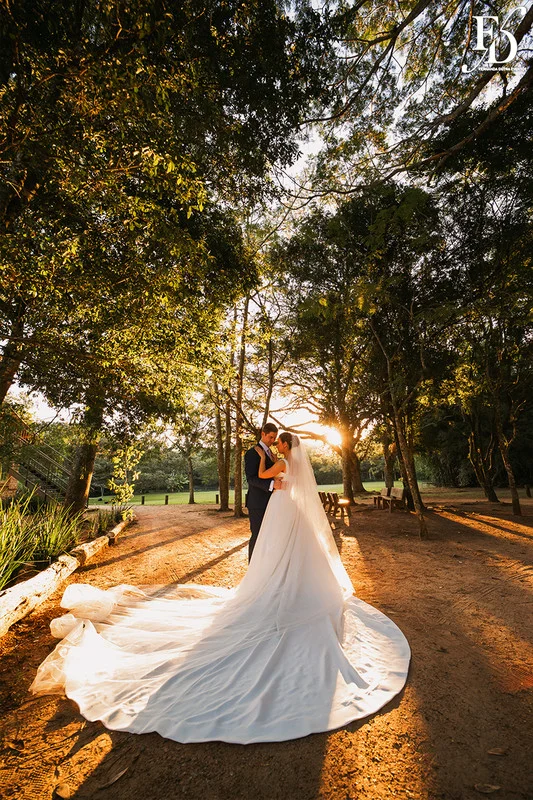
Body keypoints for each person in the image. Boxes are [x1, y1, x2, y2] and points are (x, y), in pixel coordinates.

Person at [30, 432, 410, 744]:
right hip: (287, 508)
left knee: (272, 552)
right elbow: (272, 478)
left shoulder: (277, 461)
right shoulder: (294, 465)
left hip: (279, 505)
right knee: (288, 553)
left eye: (279, 443)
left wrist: (266, 461)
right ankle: (291, 588)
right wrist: (272, 468)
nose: (276, 445)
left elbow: (263, 473)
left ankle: (277, 589)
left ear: (285, 447)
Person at [244, 422, 283, 562]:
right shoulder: (252, 453)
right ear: (263, 434)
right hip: (257, 503)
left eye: (274, 438)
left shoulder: (271, 454)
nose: (272, 441)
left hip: (272, 502)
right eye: (270, 437)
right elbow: (251, 479)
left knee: (269, 537)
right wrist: (272, 484)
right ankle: (252, 569)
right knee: (257, 536)